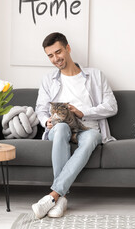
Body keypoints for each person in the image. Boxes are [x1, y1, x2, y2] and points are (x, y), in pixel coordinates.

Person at [33, 32, 118, 218]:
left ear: (68, 48)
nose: (56, 59)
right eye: (50, 56)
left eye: (58, 52)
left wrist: (82, 112)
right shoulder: (48, 80)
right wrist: (45, 121)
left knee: (91, 139)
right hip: (60, 127)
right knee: (61, 127)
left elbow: (112, 107)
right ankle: (58, 196)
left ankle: (55, 196)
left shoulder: (95, 75)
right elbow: (40, 109)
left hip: (89, 128)